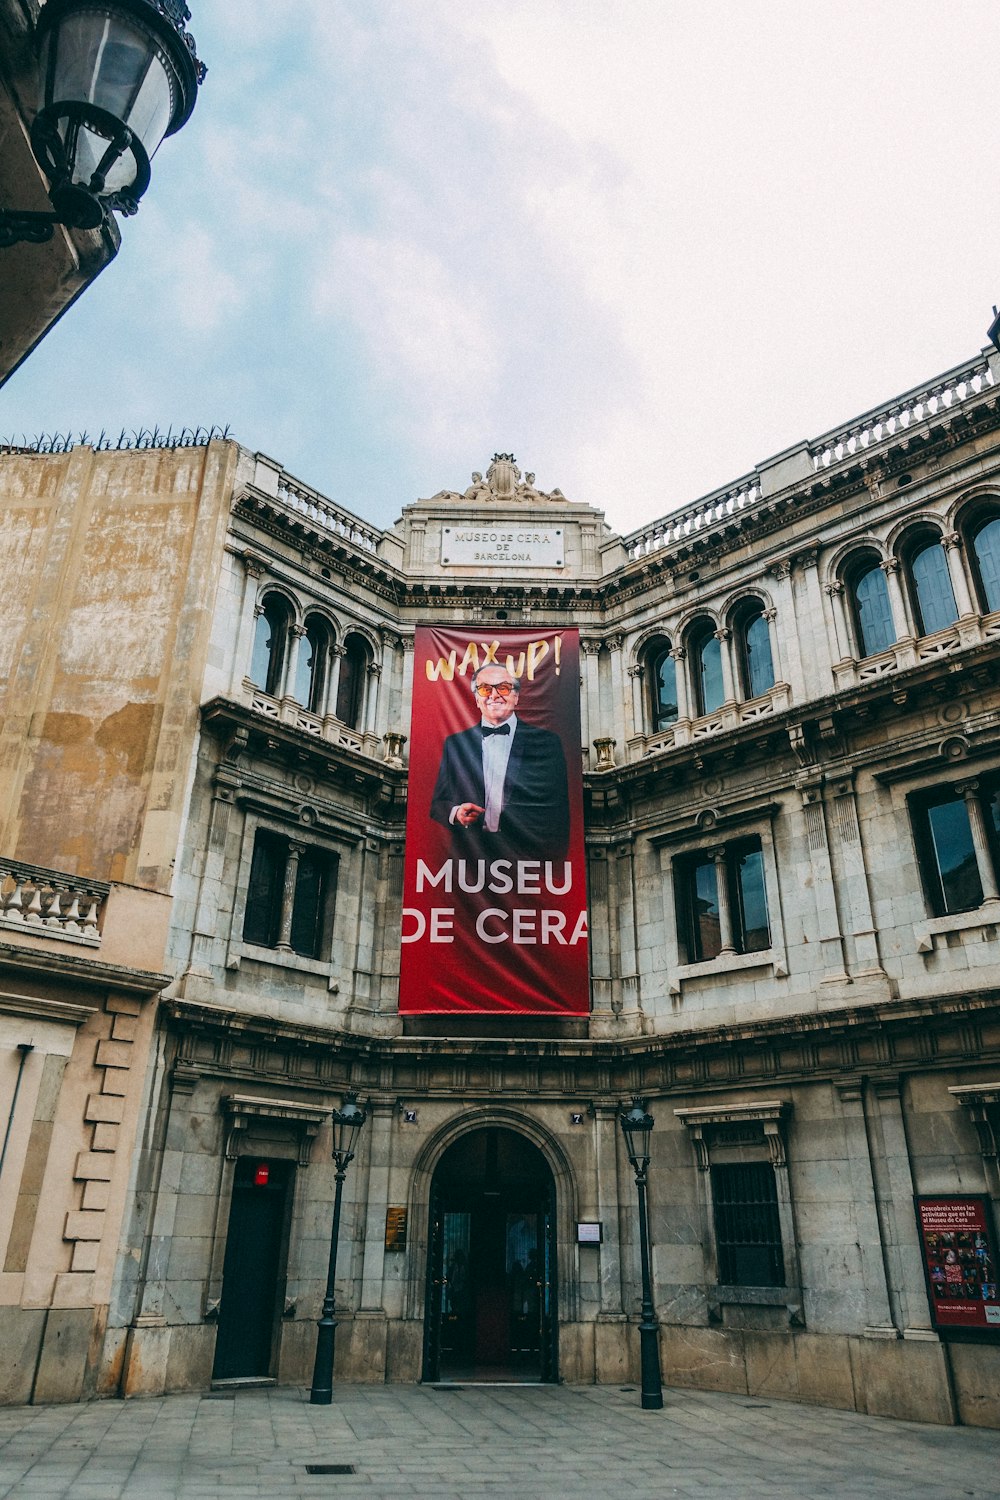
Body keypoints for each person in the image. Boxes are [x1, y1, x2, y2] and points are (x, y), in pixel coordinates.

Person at [430, 663, 569, 859]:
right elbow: (438, 803)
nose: (494, 695)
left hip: (527, 856)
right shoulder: (455, 743)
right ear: (477, 698)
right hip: (467, 858)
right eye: (485, 689)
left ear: (516, 697)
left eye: (503, 688)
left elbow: (558, 808)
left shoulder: (547, 742)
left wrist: (554, 861)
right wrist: (456, 813)